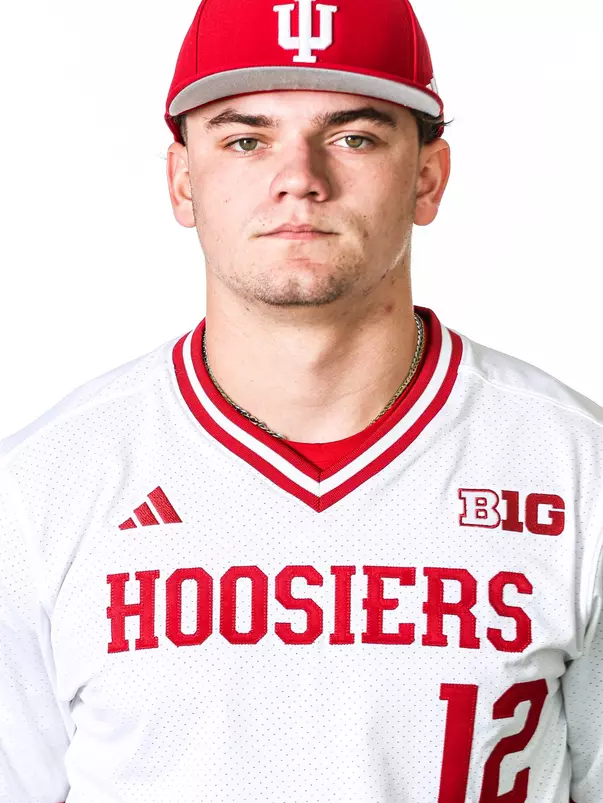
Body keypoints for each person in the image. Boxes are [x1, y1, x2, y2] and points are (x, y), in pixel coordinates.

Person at [1, 0, 601, 800]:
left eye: (353, 137)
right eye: (246, 140)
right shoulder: (45, 486)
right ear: (183, 182)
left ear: (427, 176)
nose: (299, 180)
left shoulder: (574, 466)